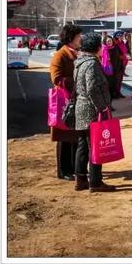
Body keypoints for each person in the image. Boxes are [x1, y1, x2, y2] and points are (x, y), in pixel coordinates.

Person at [73, 33, 116, 193]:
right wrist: (102, 107)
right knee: (95, 147)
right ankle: (95, 182)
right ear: (97, 47)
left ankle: (81, 179)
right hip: (91, 110)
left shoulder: (79, 62)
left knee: (83, 145)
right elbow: (92, 88)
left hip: (81, 108)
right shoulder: (91, 64)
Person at [49, 24, 83, 181]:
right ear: (71, 38)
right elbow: (56, 78)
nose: (80, 39)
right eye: (78, 36)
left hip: (76, 100)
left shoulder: (78, 53)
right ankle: (64, 170)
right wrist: (77, 81)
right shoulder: (60, 55)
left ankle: (75, 167)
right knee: (64, 137)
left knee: (76, 136)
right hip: (64, 101)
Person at [101, 35, 120, 99]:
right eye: (108, 41)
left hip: (114, 72)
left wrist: (117, 68)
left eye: (110, 41)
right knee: (106, 88)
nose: (109, 42)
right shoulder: (103, 49)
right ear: (105, 42)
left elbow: (118, 59)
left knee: (112, 87)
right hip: (105, 72)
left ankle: (110, 102)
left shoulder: (115, 48)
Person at [112, 31, 129, 98]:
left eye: (122, 36)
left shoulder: (123, 43)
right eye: (119, 36)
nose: (121, 37)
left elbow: (125, 51)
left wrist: (126, 56)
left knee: (120, 79)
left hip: (123, 63)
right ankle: (115, 93)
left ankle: (118, 92)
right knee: (116, 80)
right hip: (117, 64)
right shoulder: (115, 44)